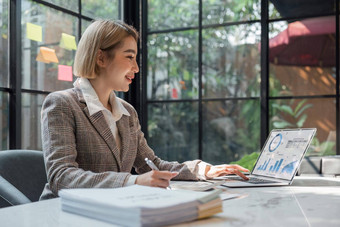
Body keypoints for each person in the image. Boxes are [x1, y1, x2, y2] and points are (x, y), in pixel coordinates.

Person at [40, 20, 249, 200]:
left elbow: (151, 165)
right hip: (61, 213)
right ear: (101, 58)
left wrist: (204, 170)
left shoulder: (127, 112)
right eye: (129, 57)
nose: (137, 68)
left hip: (111, 210)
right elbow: (61, 177)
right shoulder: (62, 104)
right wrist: (134, 181)